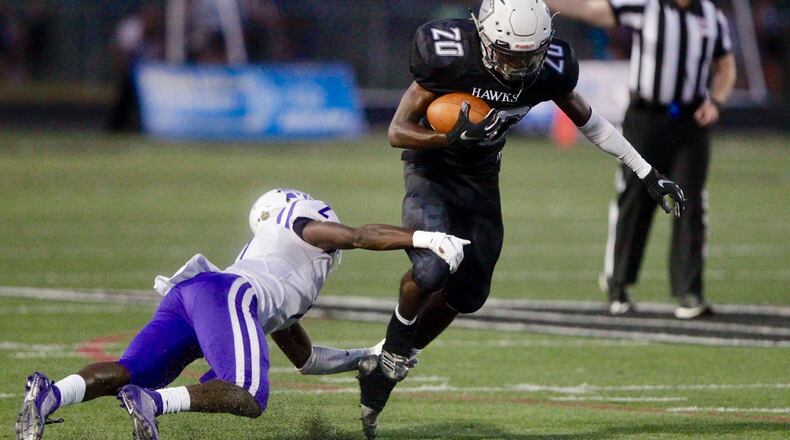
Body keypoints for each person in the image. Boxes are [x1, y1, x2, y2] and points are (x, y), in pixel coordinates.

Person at [356, 1, 686, 437]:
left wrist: (647, 172)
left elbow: (592, 122)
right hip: (431, 170)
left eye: (528, 55)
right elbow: (398, 130)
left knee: (471, 292)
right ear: (484, 35)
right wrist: (448, 136)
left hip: (481, 177)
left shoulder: (549, 68)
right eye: (509, 53)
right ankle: (396, 348)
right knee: (433, 266)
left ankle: (381, 362)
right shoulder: (451, 55)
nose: (517, 65)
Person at [15, 188, 470, 440]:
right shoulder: (300, 225)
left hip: (197, 295)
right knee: (250, 394)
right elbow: (357, 235)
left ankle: (49, 394)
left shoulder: (283, 280)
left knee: (130, 369)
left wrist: (366, 354)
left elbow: (306, 360)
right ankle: (152, 403)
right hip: (228, 294)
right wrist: (423, 239)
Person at [544, 0, 736, 318]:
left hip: (692, 121)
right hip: (646, 117)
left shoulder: (712, 16)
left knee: (691, 201)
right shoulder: (646, 6)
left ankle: (690, 291)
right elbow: (593, 10)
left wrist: (716, 101)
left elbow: (726, 67)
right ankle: (618, 284)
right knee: (634, 196)